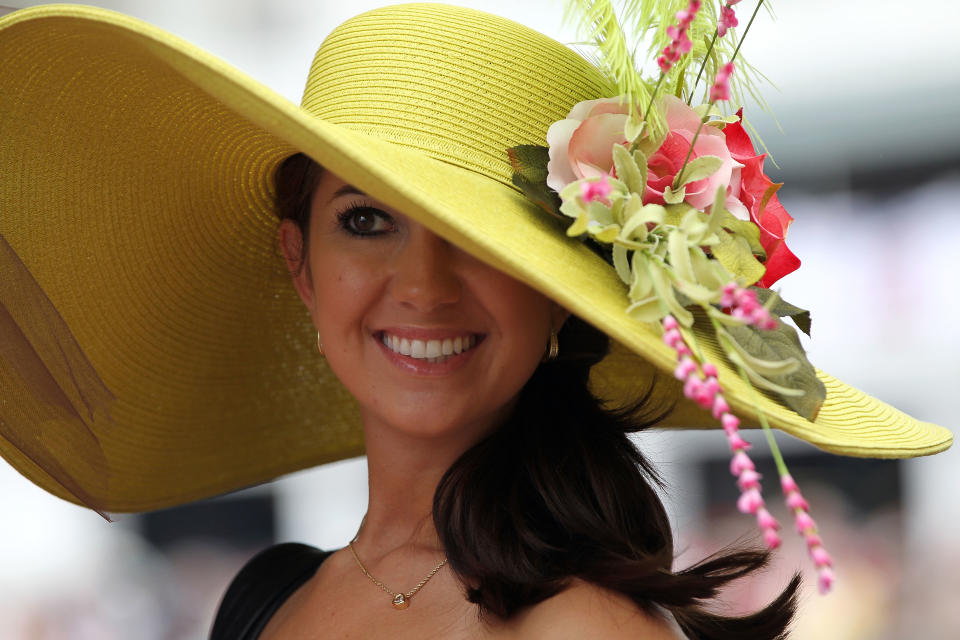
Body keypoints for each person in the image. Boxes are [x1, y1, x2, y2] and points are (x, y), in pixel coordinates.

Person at [0, 2, 952, 639]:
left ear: (557, 289)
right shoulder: (266, 598)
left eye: (480, 241)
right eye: (365, 222)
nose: (422, 285)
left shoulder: (580, 624)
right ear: (301, 266)